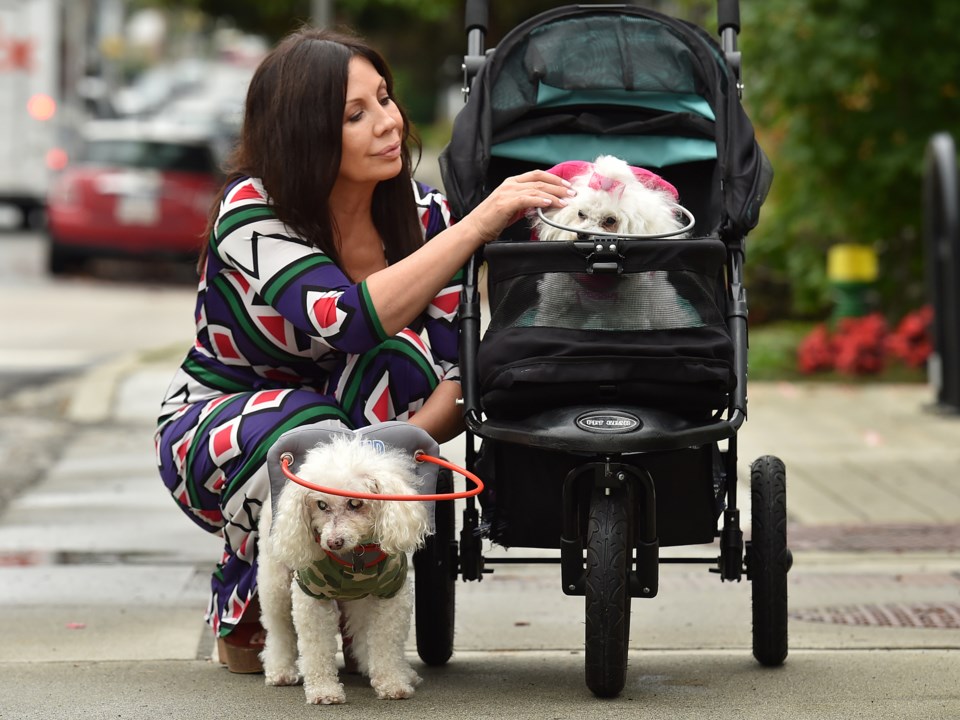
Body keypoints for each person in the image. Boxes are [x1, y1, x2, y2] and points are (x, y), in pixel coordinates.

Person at [154, 25, 573, 673]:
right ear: (305, 133)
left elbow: (459, 375)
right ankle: (254, 586)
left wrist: (381, 458)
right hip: (223, 428)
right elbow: (344, 319)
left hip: (364, 439)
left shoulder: (424, 218)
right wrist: (480, 224)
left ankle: (355, 570)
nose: (388, 123)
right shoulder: (252, 210)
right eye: (357, 113)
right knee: (318, 415)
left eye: (385, 98)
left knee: (403, 361)